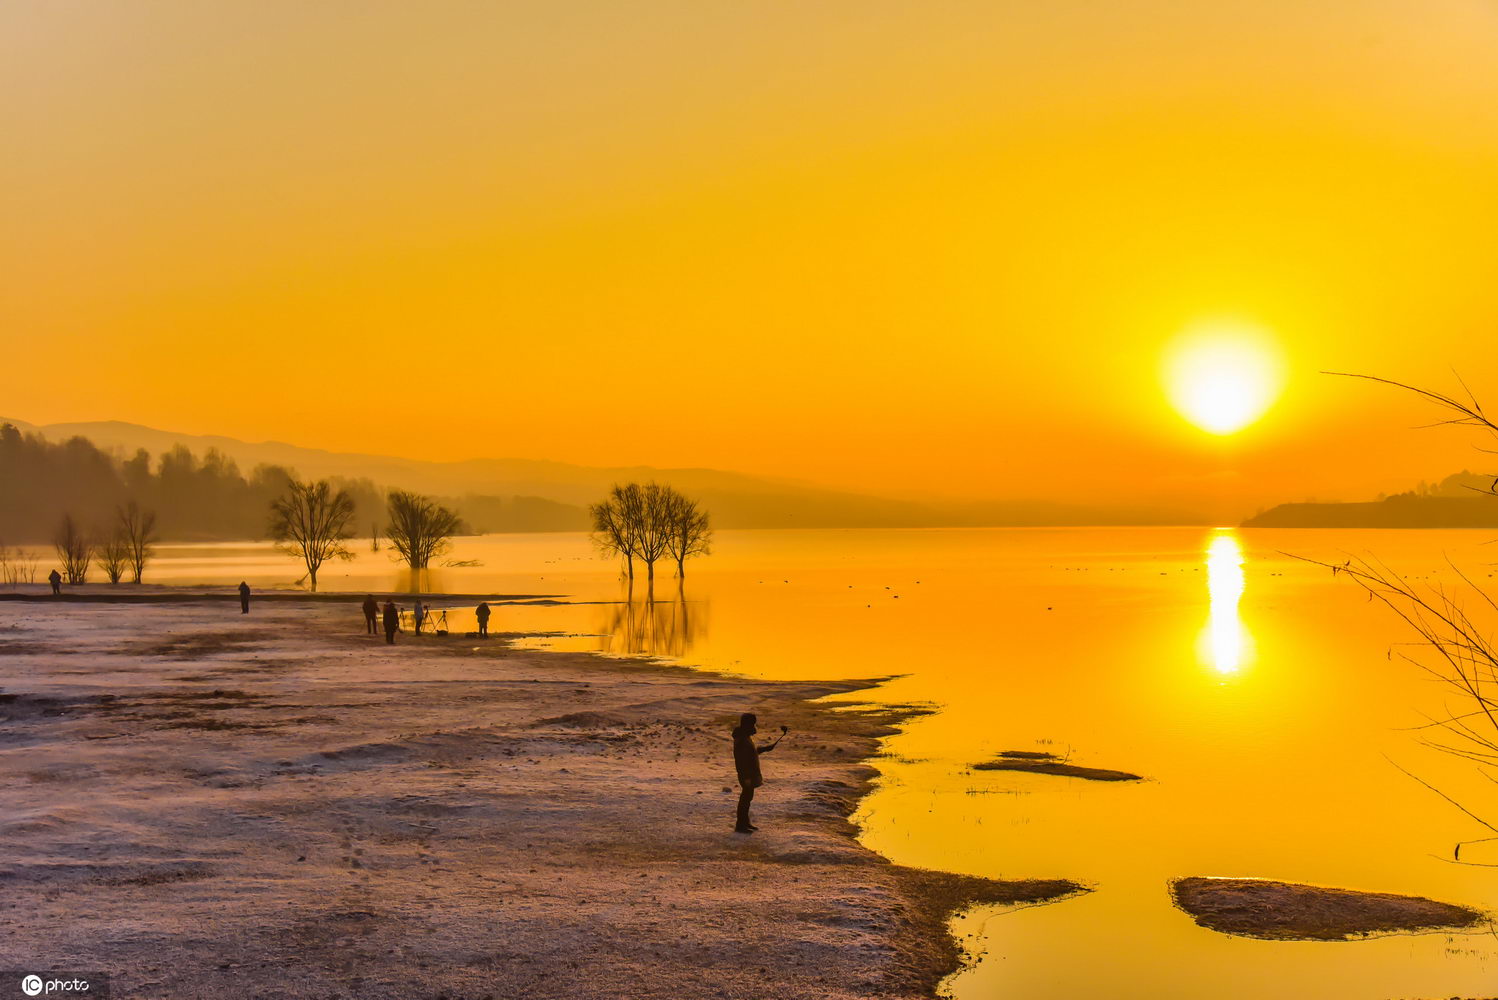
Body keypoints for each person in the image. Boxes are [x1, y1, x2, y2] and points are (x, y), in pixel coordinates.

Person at [731, 712, 786, 834]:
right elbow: (741, 759)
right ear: (747, 724)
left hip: (749, 774)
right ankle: (740, 825)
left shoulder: (744, 736)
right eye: (752, 723)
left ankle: (744, 823)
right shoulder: (741, 739)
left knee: (747, 798)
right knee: (745, 798)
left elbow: (750, 753)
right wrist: (746, 777)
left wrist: (764, 749)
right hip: (746, 774)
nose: (754, 726)